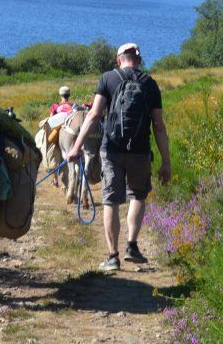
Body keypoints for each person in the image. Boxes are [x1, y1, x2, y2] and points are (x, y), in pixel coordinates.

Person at [66, 42, 171, 271]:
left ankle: (112, 257)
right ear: (139, 60)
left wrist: (76, 147)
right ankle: (132, 246)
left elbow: (94, 115)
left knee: (111, 201)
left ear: (118, 60)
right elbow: (159, 126)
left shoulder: (108, 78)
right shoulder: (150, 84)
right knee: (138, 197)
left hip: (112, 150)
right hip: (141, 151)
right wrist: (166, 162)